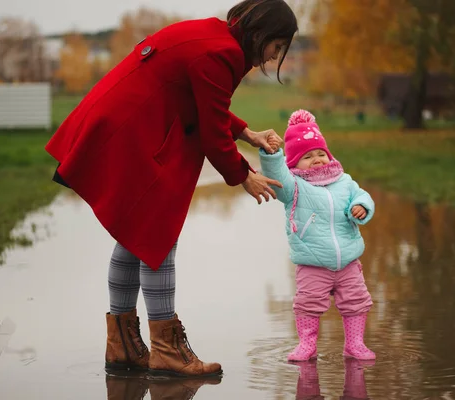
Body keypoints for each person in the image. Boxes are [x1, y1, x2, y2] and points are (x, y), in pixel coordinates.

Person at [45, 0, 298, 378]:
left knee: (137, 235)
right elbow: (211, 131)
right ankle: (165, 350)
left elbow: (202, 101)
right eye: (276, 48)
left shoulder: (212, 35)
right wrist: (244, 175)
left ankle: (122, 345)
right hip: (132, 129)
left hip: (124, 121)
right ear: (261, 32)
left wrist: (246, 133)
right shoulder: (223, 52)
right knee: (156, 235)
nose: (273, 57)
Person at [259, 110, 376, 361]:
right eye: (307, 156)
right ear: (294, 163)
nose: (317, 159)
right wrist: (272, 155)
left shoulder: (344, 181)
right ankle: (307, 345)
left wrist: (362, 207)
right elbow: (277, 177)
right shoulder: (294, 187)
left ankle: (355, 344)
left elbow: (361, 195)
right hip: (312, 262)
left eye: (321, 153)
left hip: (348, 260)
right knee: (308, 303)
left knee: (356, 302)